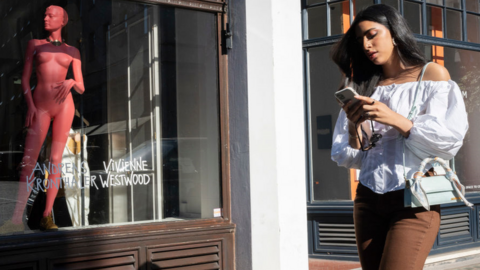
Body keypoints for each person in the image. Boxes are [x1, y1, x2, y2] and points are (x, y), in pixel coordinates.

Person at [330, 4, 468, 270]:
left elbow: (448, 142)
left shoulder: (431, 75)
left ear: (394, 32)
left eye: (372, 34)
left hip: (415, 199)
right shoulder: (361, 84)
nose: (367, 45)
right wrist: (352, 124)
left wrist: (394, 118)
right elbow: (352, 156)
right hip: (368, 198)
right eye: (360, 41)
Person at [0, 5, 84, 233]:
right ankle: (16, 219)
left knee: (55, 160)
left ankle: (47, 216)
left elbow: (82, 86)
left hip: (64, 105)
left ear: (63, 21)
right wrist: (30, 105)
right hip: (41, 106)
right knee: (29, 160)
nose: (46, 18)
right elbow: (25, 78)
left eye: (51, 15)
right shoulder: (35, 45)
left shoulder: (73, 51)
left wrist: (71, 82)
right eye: (45, 15)